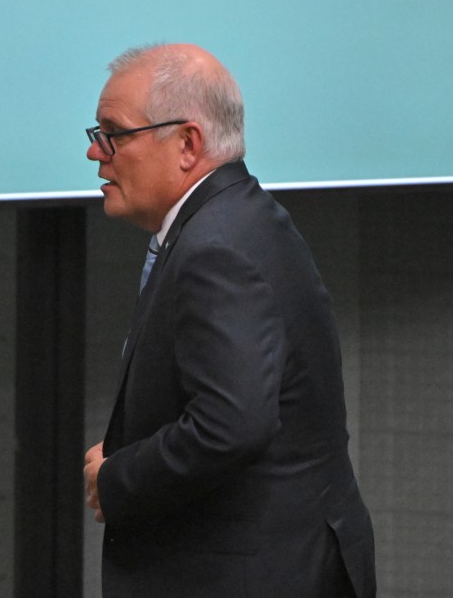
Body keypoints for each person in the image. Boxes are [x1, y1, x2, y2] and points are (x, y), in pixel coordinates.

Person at [82, 43, 376, 598]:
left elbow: (230, 426)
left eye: (113, 134)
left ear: (188, 144)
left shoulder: (218, 247)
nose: (97, 155)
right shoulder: (232, 222)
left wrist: (117, 477)